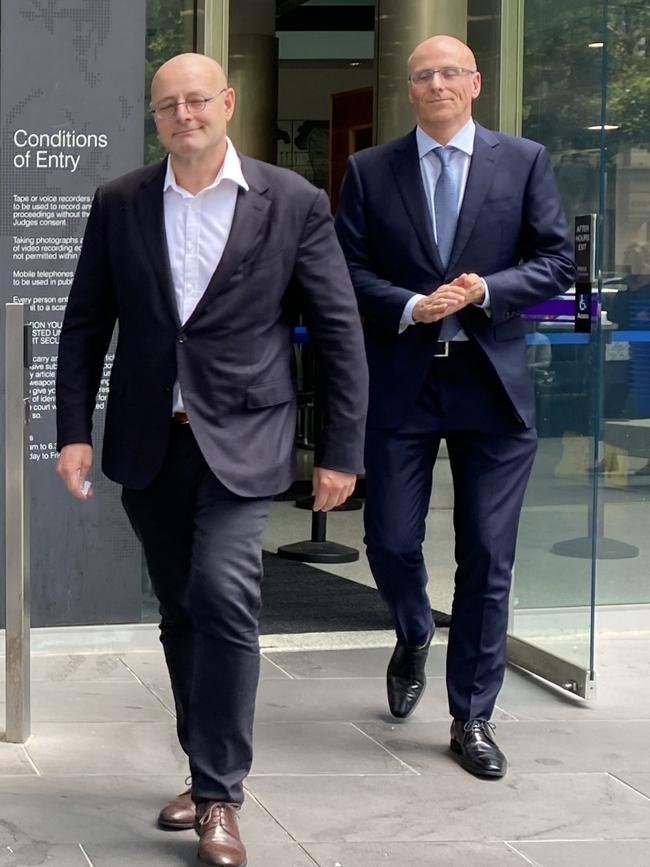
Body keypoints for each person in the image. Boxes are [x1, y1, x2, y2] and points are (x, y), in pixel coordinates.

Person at [55, 53, 368, 866]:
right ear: (154, 117)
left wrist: (340, 449)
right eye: (167, 105)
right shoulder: (120, 201)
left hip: (246, 437)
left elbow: (337, 330)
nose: (183, 115)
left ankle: (222, 796)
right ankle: (202, 772)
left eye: (197, 100)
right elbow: (85, 321)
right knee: (180, 609)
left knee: (224, 594)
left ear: (227, 103)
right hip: (150, 441)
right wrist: (73, 431)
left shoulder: (291, 200)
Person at [335, 35, 575, 778]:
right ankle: (412, 628)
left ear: (474, 83)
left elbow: (557, 259)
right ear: (409, 90)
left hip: (492, 383)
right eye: (422, 76)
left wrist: (485, 290)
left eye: (449, 73)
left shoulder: (524, 160)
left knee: (487, 557)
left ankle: (472, 715)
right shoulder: (370, 170)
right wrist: (411, 303)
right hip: (405, 379)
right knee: (392, 540)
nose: (435, 84)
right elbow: (345, 269)